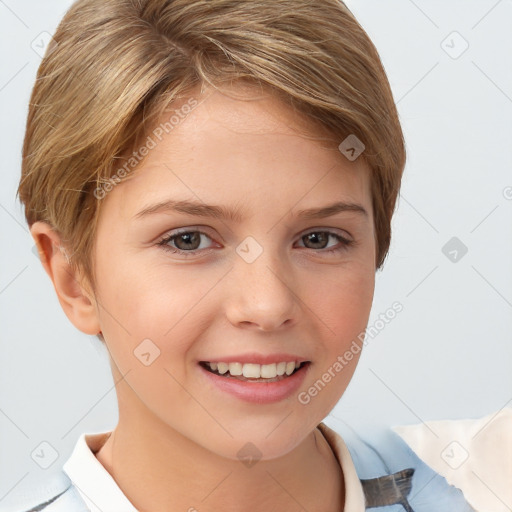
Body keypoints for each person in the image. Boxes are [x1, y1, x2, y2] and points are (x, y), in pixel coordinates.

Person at [7, 0, 475, 510]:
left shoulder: (477, 487)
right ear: (72, 277)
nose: (267, 305)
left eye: (319, 238)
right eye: (188, 239)